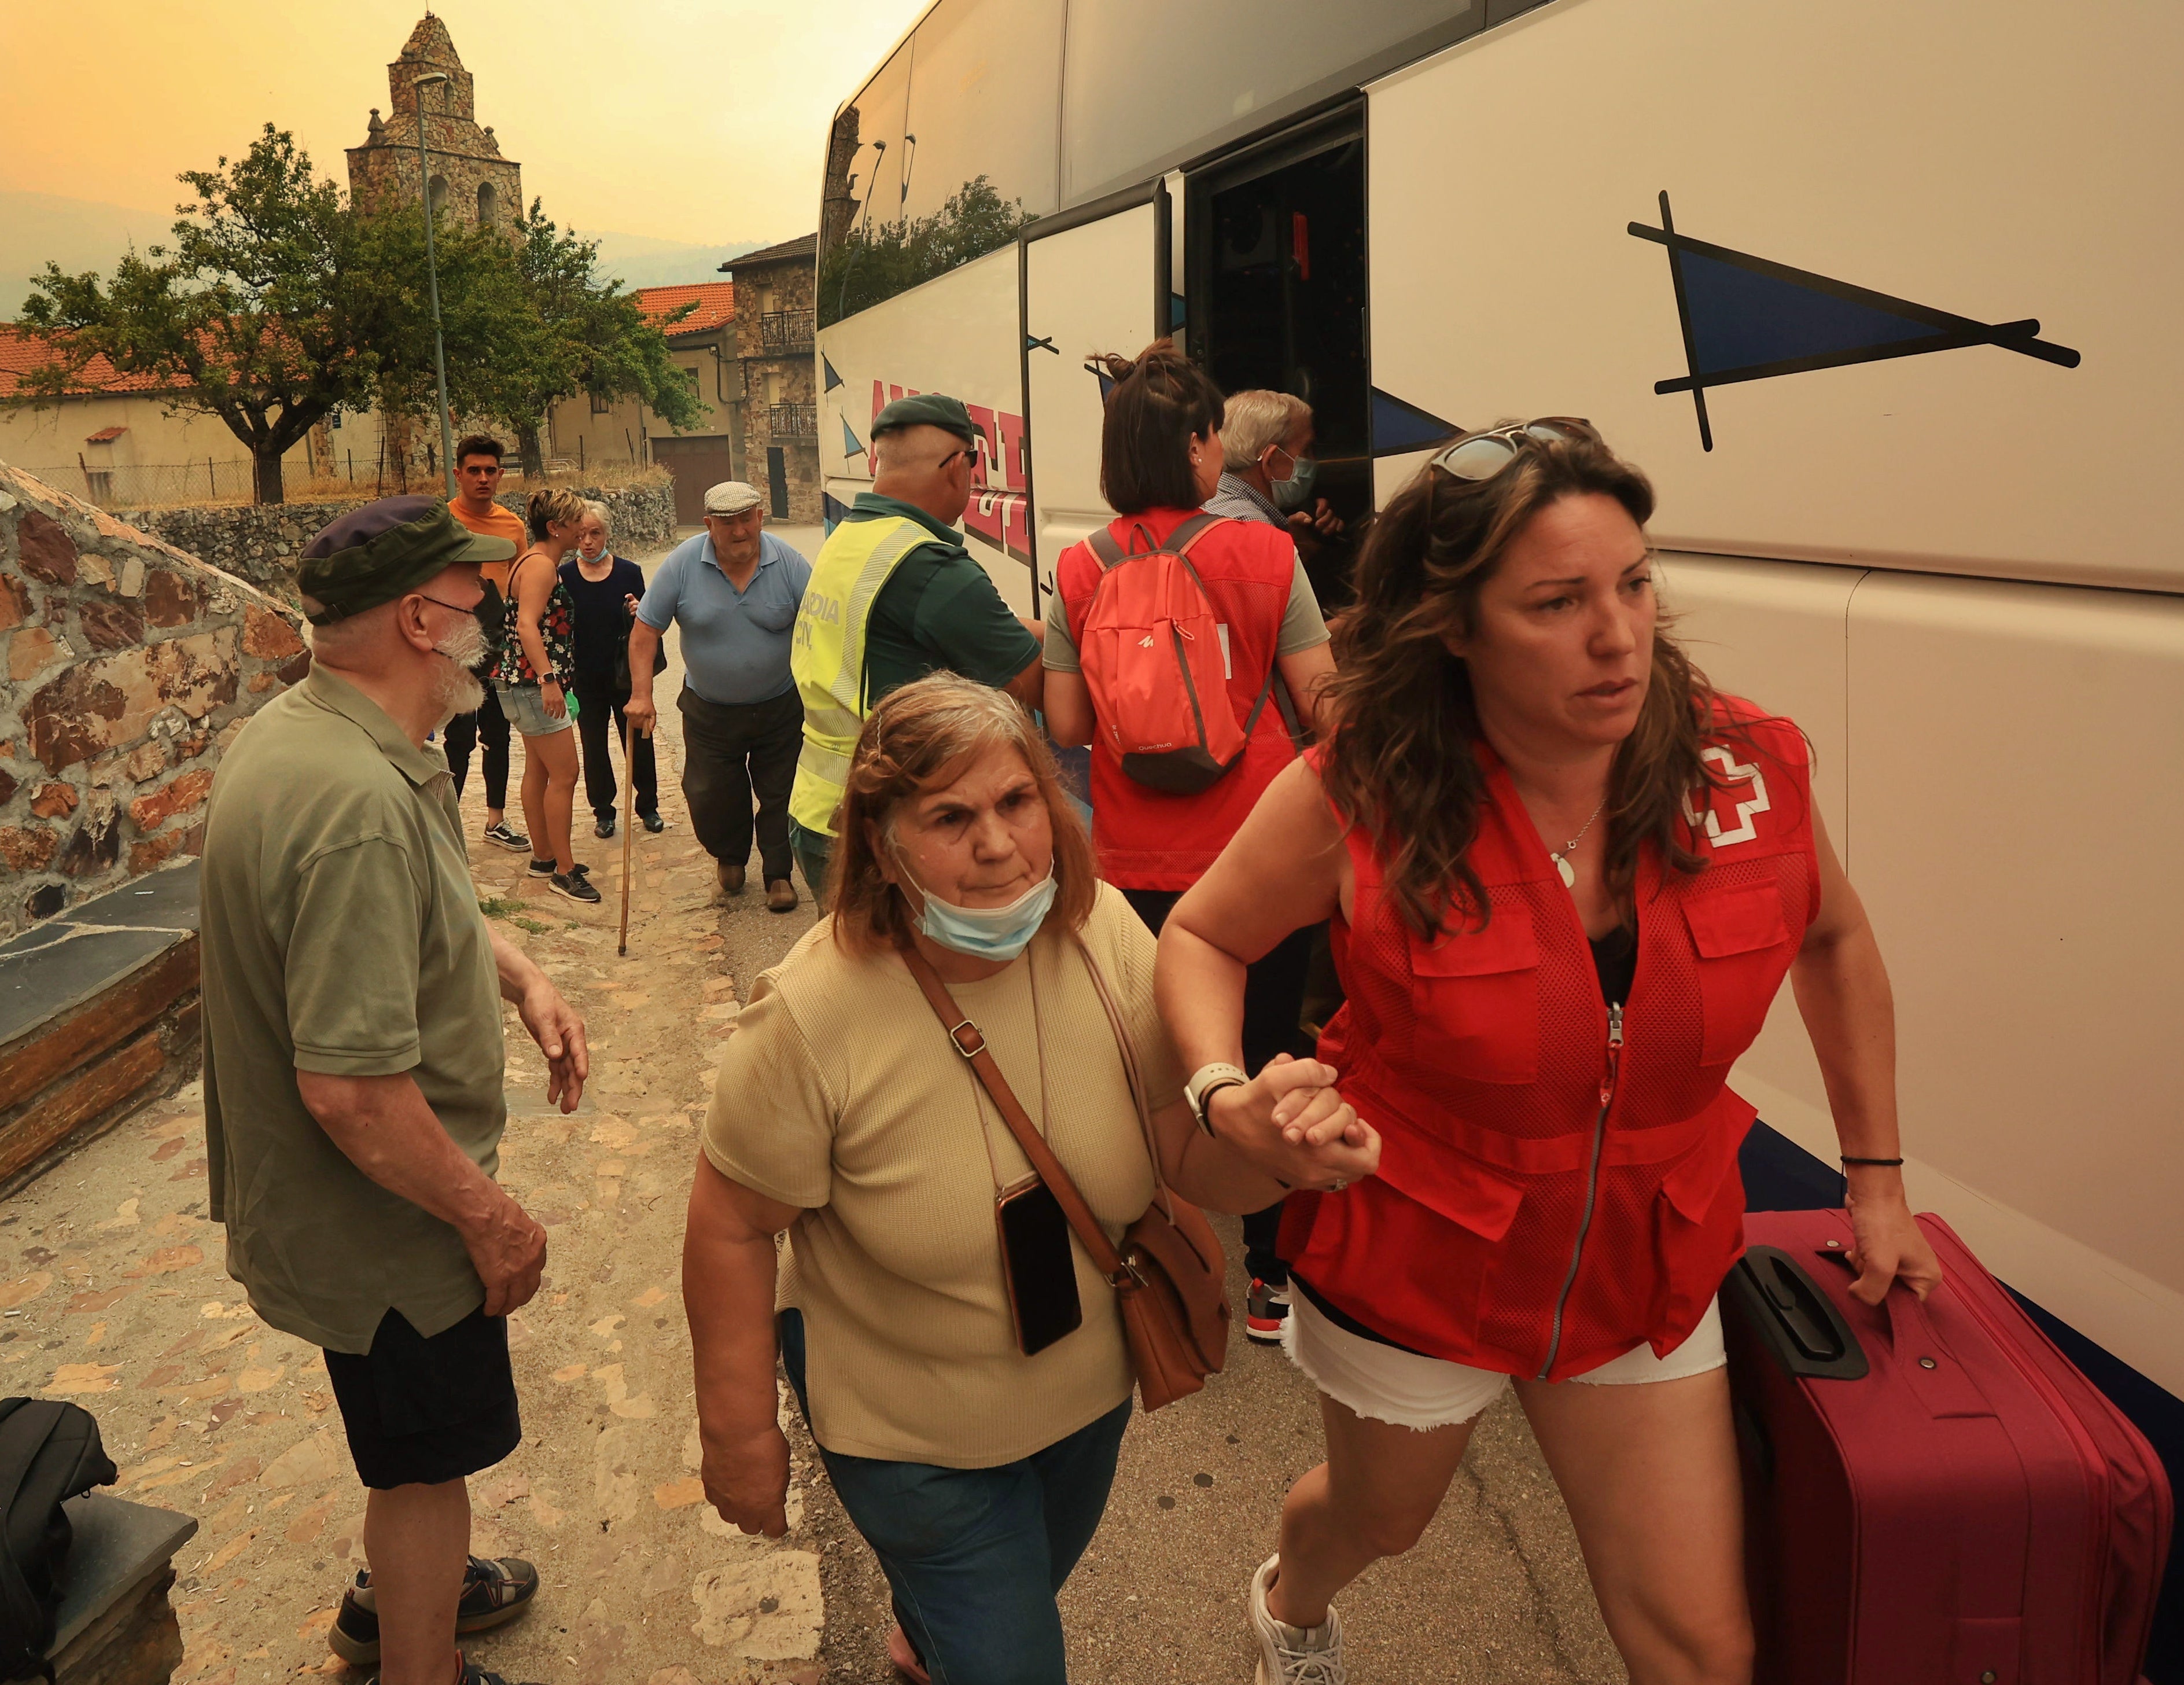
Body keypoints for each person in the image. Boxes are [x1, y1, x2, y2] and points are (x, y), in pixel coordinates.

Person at [1155, 420, 1945, 1685]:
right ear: (1452, 627)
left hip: (1644, 1247)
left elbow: (1836, 941)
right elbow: (1199, 933)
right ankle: (1290, 1601)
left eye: (1632, 584)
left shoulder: (1743, 768)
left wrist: (1879, 1180)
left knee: (1701, 1643)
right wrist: (1225, 1089)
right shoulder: (1358, 790)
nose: (1618, 635)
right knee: (1380, 1521)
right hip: (1420, 1240)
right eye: (1557, 602)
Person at [682, 674, 1373, 1685]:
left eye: (1017, 803)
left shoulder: (1106, 937)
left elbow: (1178, 1158)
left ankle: (930, 1637)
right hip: (911, 1438)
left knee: (1008, 1601)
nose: (999, 843)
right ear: (880, 840)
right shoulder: (807, 1017)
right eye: (950, 817)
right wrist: (738, 1430)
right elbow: (731, 1222)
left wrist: (1273, 1152)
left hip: (1085, 1398)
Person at [201, 495, 589, 1685]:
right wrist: (492, 1216)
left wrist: (515, 971)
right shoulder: (356, 805)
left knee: (406, 1441)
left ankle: (401, 1597)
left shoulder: (313, 734)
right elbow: (354, 1095)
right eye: (476, 598)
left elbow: (416, 914)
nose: (494, 616)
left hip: (343, 1214)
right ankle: (423, 1663)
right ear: (423, 616)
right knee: (424, 1465)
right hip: (388, 1227)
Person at [1041, 343, 1337, 1346]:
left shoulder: (1080, 566)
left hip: (1132, 866)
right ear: (1205, 445)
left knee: (1146, 1054)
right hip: (1260, 864)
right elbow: (1323, 704)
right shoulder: (1268, 555)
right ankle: (1269, 1276)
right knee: (1261, 1051)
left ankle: (1145, 1251)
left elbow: (1070, 727)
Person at [789, 393, 1044, 902]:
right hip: (885, 830)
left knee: (858, 975)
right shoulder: (931, 568)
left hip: (818, 811)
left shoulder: (855, 537)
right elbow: (1035, 685)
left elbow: (947, 627)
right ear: (957, 467)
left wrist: (1043, 629)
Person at [625, 482, 808, 914]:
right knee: (710, 793)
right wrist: (641, 694)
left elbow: (821, 626)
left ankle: (778, 874)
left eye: (747, 520)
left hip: (779, 705)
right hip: (709, 710)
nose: (740, 531)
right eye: (728, 524)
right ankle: (729, 856)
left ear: (760, 517)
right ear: (709, 525)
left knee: (781, 791)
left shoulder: (790, 563)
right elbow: (645, 632)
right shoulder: (682, 565)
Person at [495, 488, 598, 904]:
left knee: (538, 770)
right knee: (566, 775)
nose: (581, 528)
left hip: (516, 685)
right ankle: (565, 871)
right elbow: (526, 626)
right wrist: (549, 679)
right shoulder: (541, 567)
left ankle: (543, 856)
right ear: (555, 528)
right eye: (575, 522)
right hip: (532, 686)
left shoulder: (531, 561)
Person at [441, 433, 531, 852]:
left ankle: (496, 820)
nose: (482, 478)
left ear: (501, 475)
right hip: (454, 645)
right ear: (458, 474)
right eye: (473, 471)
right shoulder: (442, 523)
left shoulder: (512, 526)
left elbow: (521, 586)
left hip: (500, 646)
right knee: (457, 736)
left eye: (490, 471)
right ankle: (448, 826)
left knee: (497, 733)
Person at [560, 502, 663, 839]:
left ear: (607, 534)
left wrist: (638, 610)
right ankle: (603, 812)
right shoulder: (565, 576)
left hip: (625, 675)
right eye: (582, 535)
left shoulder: (629, 572)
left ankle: (648, 807)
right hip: (586, 678)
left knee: (638, 741)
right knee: (594, 746)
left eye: (596, 533)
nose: (588, 541)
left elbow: (650, 624)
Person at [1203, 388, 1345, 566]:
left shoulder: (1207, 503)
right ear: (1271, 460)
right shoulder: (1256, 531)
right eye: (1306, 450)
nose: (1313, 460)